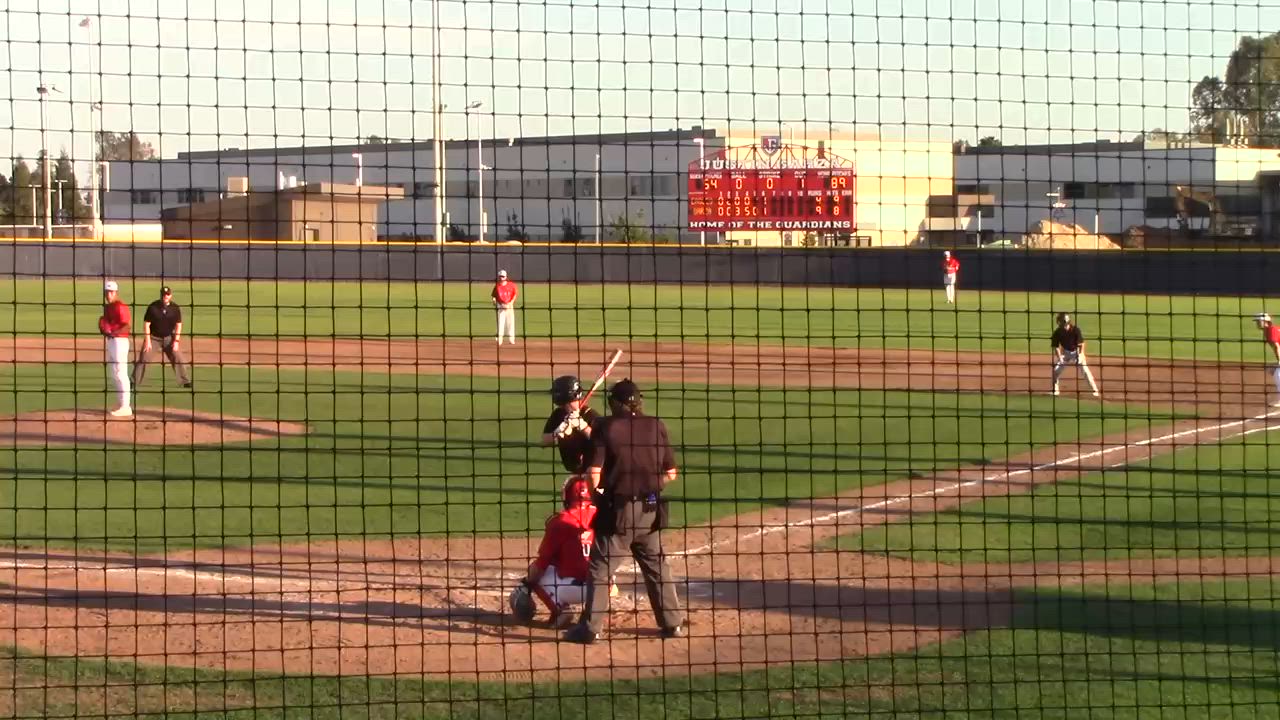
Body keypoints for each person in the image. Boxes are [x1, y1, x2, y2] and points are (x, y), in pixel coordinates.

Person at [563, 379, 686, 644]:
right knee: (656, 566)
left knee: (600, 569)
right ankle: (672, 624)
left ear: (614, 404)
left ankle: (590, 629)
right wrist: (648, 485)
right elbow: (671, 473)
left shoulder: (605, 426)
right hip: (651, 510)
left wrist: (598, 496)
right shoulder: (656, 424)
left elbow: (593, 473)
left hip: (619, 511)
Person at [509, 475, 612, 629]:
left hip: (578, 588)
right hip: (603, 585)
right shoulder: (602, 515)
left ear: (567, 496)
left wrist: (526, 584)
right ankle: (596, 611)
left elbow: (540, 565)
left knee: (538, 572)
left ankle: (561, 610)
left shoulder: (561, 521)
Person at [132, 285, 191, 389]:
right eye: (164, 295)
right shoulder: (153, 307)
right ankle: (133, 381)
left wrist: (176, 341)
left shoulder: (175, 308)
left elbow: (178, 325)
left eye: (167, 294)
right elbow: (147, 324)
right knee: (144, 358)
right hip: (154, 338)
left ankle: (185, 381)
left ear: (170, 295)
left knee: (177, 357)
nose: (165, 296)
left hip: (169, 338)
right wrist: (148, 341)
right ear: (161, 295)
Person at [542, 375, 601, 473]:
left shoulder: (591, 415)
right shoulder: (558, 414)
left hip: (593, 473)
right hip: (575, 472)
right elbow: (544, 441)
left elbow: (603, 442)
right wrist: (557, 433)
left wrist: (584, 428)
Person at [98, 280, 133, 417]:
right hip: (112, 342)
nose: (109, 295)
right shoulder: (107, 308)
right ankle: (120, 403)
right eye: (107, 292)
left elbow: (127, 325)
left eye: (111, 292)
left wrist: (112, 331)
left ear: (116, 293)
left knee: (121, 373)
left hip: (120, 341)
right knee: (114, 373)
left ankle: (126, 406)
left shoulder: (120, 306)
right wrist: (105, 330)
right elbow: (105, 324)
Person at [1051, 312, 1100, 397]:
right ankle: (1055, 390)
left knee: (1085, 370)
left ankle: (1094, 390)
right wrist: (1060, 358)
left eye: (1060, 321)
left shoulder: (1075, 330)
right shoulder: (1057, 332)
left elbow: (1081, 344)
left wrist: (1081, 354)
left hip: (1076, 352)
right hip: (1065, 353)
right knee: (1056, 371)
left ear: (1065, 322)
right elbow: (1056, 347)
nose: (1059, 323)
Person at [1253, 313, 1280, 406]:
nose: (1257, 323)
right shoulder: (1268, 331)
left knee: (1278, 374)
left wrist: (1279, 361)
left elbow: (1276, 347)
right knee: (1270, 368)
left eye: (1259, 321)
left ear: (1266, 322)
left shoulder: (1271, 331)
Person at [491, 270, 518, 345]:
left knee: (511, 323)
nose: (501, 278)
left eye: (503, 276)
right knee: (500, 323)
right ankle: (500, 340)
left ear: (506, 277)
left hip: (509, 306)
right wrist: (494, 302)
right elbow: (493, 296)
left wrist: (511, 303)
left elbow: (515, 294)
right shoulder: (497, 286)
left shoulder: (511, 285)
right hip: (501, 306)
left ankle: (511, 339)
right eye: (500, 276)